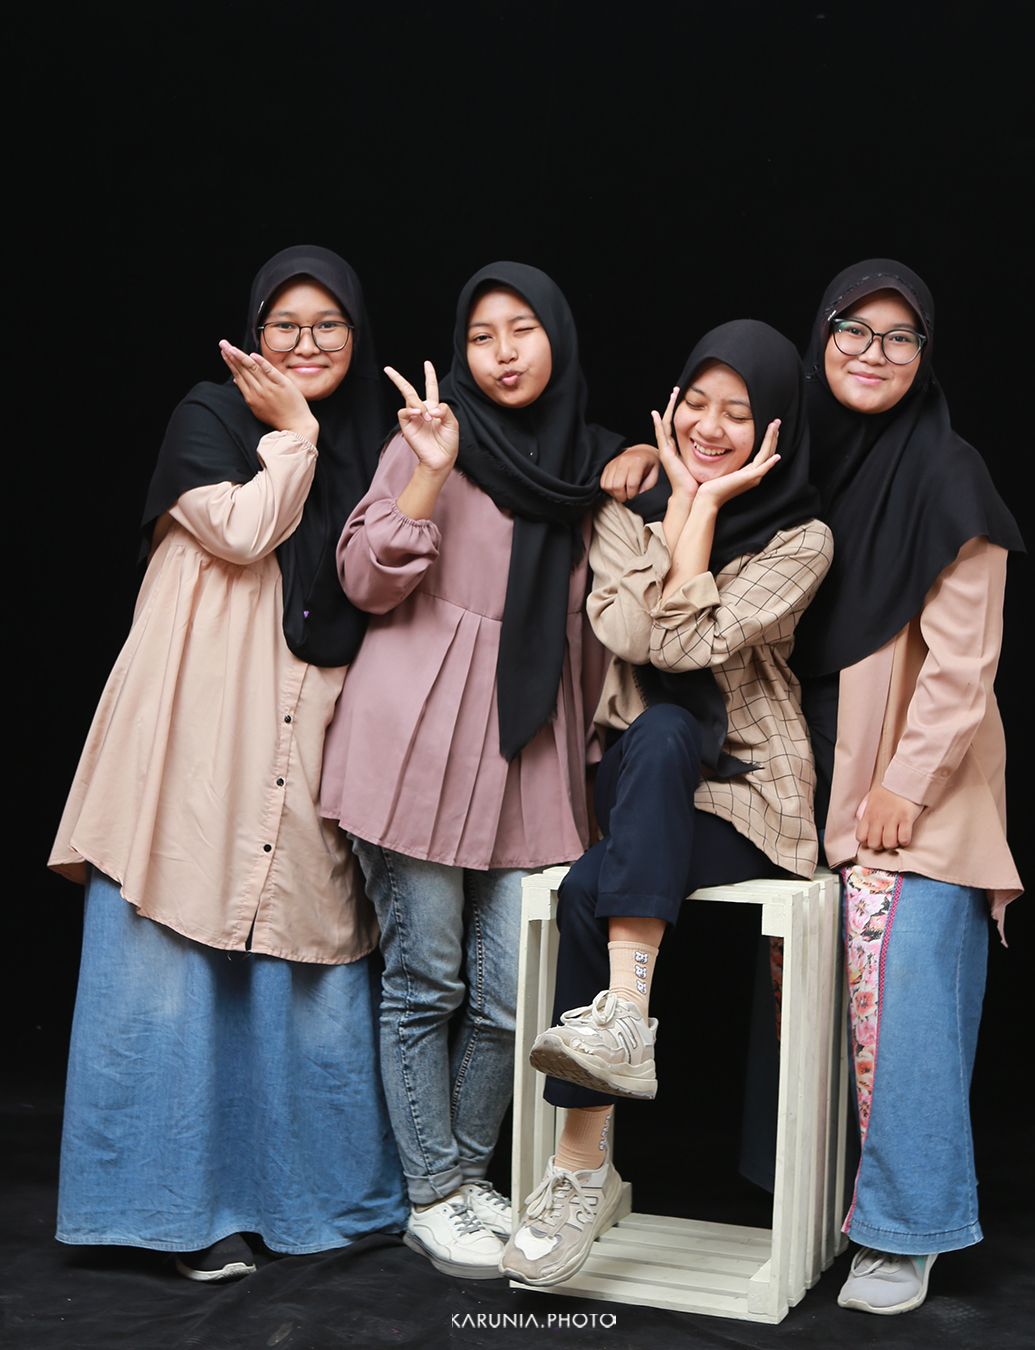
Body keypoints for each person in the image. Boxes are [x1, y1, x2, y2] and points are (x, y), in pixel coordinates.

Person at [48, 246, 408, 1280]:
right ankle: (174, 1216)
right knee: (174, 954)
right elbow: (246, 531)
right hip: (200, 726)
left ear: (357, 335)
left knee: (296, 966)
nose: (304, 345)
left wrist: (624, 455)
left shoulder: (376, 450)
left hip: (304, 734)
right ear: (254, 334)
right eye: (283, 325)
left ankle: (311, 1207)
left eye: (327, 326)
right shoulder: (209, 414)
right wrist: (292, 436)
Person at [319, 262, 655, 1279]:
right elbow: (365, 579)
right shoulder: (433, 442)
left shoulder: (590, 465)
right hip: (415, 739)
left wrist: (645, 457)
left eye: (522, 330)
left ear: (558, 336)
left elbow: (599, 628)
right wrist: (425, 469)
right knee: (423, 980)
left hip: (528, 752)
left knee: (512, 996)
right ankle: (435, 1194)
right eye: (481, 335)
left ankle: (464, 1178)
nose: (502, 353)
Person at [499, 319, 833, 1287]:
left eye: (741, 412)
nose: (713, 425)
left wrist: (700, 505)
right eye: (699, 404)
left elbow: (683, 645)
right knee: (654, 734)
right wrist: (677, 504)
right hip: (651, 786)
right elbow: (624, 626)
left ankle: (581, 1158)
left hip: (750, 803)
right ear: (673, 402)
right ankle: (616, 1059)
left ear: (774, 427)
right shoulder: (621, 509)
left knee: (584, 892)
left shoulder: (802, 537)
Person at [792, 260, 1024, 1315]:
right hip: (820, 785)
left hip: (919, 790)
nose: (873, 353)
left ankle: (906, 1229)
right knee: (829, 990)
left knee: (912, 982)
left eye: (900, 337)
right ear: (822, 336)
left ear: (925, 358)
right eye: (854, 328)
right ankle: (808, 1206)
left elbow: (966, 668)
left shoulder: (949, 475)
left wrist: (904, 787)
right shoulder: (804, 459)